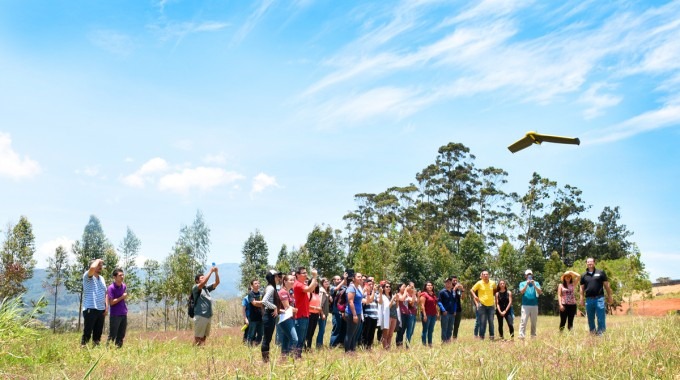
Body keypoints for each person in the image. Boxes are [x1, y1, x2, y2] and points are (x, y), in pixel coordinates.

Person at [580, 258, 613, 335]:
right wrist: (581, 298)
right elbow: (581, 288)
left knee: (601, 317)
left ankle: (601, 333)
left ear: (594, 263)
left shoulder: (600, 272)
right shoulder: (583, 275)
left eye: (591, 262)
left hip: (599, 299)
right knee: (590, 318)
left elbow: (606, 285)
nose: (589, 263)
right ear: (586, 263)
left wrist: (610, 296)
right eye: (588, 262)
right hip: (588, 300)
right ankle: (592, 332)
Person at [81, 258, 108, 347]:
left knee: (98, 333)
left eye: (101, 265)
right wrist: (98, 260)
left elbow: (105, 293)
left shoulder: (102, 278)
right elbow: (92, 268)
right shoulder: (88, 276)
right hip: (90, 308)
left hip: (101, 309)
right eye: (98, 265)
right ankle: (83, 348)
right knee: (87, 332)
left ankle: (95, 349)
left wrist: (106, 307)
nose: (100, 267)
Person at [293, 267, 318, 358]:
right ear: (297, 275)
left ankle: (298, 356)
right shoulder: (298, 284)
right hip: (301, 316)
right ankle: (296, 356)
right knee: (300, 339)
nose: (306, 274)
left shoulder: (301, 284)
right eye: (303, 273)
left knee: (302, 339)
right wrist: (314, 277)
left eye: (306, 273)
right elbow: (310, 289)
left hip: (305, 315)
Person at [192, 266, 219, 346]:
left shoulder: (206, 289)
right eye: (202, 278)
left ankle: (201, 349)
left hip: (208, 316)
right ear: (197, 281)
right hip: (200, 315)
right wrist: (210, 272)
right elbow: (203, 283)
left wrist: (216, 272)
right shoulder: (196, 288)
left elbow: (217, 283)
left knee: (204, 336)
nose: (204, 279)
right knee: (198, 336)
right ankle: (196, 351)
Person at [260, 270, 282, 362]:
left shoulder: (271, 287)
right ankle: (265, 360)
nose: (278, 278)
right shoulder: (271, 288)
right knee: (266, 339)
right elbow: (264, 301)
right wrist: (274, 307)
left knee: (267, 338)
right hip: (269, 315)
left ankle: (266, 359)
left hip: (269, 315)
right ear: (272, 277)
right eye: (276, 276)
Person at [471, 270, 497, 340]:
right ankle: (481, 337)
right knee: (483, 322)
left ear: (489, 275)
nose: (485, 276)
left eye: (487, 274)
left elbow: (495, 290)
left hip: (491, 305)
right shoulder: (479, 283)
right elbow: (472, 290)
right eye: (484, 275)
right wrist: (475, 296)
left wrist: (494, 298)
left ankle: (492, 336)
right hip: (482, 305)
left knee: (491, 322)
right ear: (482, 276)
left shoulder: (493, 283)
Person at [278, 274, 298, 358]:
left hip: (290, 318)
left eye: (293, 280)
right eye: (290, 280)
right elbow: (287, 307)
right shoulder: (283, 292)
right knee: (294, 339)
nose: (292, 281)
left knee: (286, 340)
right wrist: (294, 309)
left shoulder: (289, 292)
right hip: (285, 319)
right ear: (284, 281)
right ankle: (291, 358)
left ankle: (284, 358)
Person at [107, 268, 128, 348]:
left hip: (123, 313)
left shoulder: (124, 286)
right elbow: (111, 302)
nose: (122, 277)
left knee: (121, 335)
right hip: (115, 315)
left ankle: (118, 349)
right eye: (120, 275)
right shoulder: (111, 288)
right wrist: (122, 297)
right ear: (115, 277)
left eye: (123, 275)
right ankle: (108, 350)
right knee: (113, 334)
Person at [518, 269, 542, 339]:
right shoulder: (522, 283)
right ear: (525, 276)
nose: (529, 276)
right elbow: (521, 292)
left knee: (533, 322)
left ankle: (533, 335)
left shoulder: (536, 283)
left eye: (530, 274)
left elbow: (540, 292)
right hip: (525, 305)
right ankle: (521, 336)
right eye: (528, 275)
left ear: (532, 275)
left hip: (534, 305)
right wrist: (527, 284)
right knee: (523, 321)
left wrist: (534, 284)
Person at [344, 272, 364, 352]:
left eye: (361, 277)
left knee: (355, 333)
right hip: (352, 314)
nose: (360, 278)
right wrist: (354, 315)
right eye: (358, 277)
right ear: (353, 278)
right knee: (350, 333)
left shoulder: (358, 288)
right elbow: (350, 302)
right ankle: (347, 350)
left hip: (358, 313)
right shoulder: (351, 288)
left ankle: (352, 349)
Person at [378, 281, 398, 349]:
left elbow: (396, 306)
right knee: (385, 334)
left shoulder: (392, 295)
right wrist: (392, 299)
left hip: (394, 316)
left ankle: (388, 348)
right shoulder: (382, 296)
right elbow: (388, 306)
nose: (389, 288)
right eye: (387, 287)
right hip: (387, 316)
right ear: (383, 288)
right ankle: (385, 348)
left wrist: (397, 300)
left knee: (391, 334)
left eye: (389, 287)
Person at [329, 274, 347, 348]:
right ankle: (332, 345)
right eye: (337, 279)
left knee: (343, 328)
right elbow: (336, 289)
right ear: (333, 281)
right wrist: (344, 280)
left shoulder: (344, 288)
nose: (339, 280)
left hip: (343, 312)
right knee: (336, 328)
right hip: (336, 312)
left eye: (340, 279)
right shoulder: (332, 288)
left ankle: (341, 343)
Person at [361, 277, 379, 349]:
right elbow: (370, 301)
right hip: (367, 315)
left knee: (372, 332)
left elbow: (379, 301)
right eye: (369, 284)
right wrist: (372, 292)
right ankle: (364, 345)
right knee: (366, 332)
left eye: (372, 284)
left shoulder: (375, 293)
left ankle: (369, 346)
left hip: (374, 315)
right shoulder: (365, 293)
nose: (371, 286)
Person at [305, 278, 322, 350]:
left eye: (316, 282)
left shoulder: (316, 294)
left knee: (312, 332)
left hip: (316, 315)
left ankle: (309, 347)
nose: (316, 283)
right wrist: (315, 308)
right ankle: (305, 347)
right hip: (310, 314)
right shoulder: (308, 293)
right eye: (314, 282)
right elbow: (306, 305)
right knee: (308, 331)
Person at [419, 281, 438, 347]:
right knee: (425, 330)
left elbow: (435, 304)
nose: (430, 286)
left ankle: (430, 344)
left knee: (431, 330)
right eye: (428, 285)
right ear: (425, 286)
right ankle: (424, 344)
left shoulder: (433, 294)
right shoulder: (423, 294)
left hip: (433, 315)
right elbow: (422, 305)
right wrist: (424, 315)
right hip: (427, 315)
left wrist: (437, 312)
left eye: (431, 285)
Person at [438, 278, 455, 343]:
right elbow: (439, 302)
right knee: (444, 328)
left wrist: (455, 310)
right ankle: (444, 341)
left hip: (452, 313)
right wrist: (443, 310)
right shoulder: (442, 292)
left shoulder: (453, 292)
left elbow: (455, 302)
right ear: (445, 283)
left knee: (450, 328)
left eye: (450, 282)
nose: (448, 284)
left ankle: (448, 340)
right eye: (447, 282)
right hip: (445, 313)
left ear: (451, 284)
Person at [247, 279, 264, 346]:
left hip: (261, 317)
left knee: (260, 334)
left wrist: (260, 303)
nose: (257, 285)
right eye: (255, 283)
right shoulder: (251, 294)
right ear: (252, 285)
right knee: (251, 334)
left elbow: (263, 305)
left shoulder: (261, 294)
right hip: (253, 318)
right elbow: (254, 303)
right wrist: (262, 303)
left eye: (258, 283)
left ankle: (255, 345)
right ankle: (249, 347)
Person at [316, 278, 331, 349]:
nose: (327, 283)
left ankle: (320, 344)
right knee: (321, 330)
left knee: (323, 330)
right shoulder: (322, 291)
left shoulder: (327, 291)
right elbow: (320, 304)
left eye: (328, 282)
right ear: (322, 283)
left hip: (325, 313)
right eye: (325, 282)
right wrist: (322, 313)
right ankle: (319, 346)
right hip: (322, 313)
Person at [451, 276, 465, 340]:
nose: (455, 282)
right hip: (451, 309)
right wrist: (454, 289)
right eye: (454, 280)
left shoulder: (458, 290)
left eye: (456, 281)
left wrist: (462, 290)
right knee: (450, 324)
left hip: (458, 309)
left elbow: (462, 298)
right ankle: (448, 337)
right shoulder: (449, 288)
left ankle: (454, 337)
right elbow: (451, 297)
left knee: (456, 325)